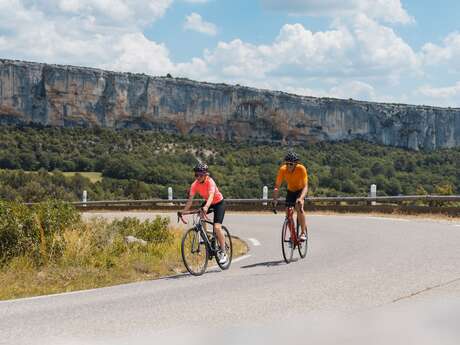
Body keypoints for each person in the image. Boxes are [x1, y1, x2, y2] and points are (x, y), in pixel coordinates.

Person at [182, 162, 228, 264]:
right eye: (196, 175)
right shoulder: (194, 185)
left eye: (201, 175)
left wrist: (206, 206)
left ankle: (223, 252)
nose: (198, 177)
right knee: (200, 214)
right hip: (208, 202)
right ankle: (206, 236)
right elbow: (190, 200)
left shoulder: (210, 182)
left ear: (206, 174)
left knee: (217, 227)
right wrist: (184, 212)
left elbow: (211, 195)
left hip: (219, 203)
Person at [272, 151, 308, 241]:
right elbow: (277, 187)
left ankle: (303, 233)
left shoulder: (301, 169)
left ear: (295, 164)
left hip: (300, 190)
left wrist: (301, 198)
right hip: (291, 191)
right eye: (287, 163)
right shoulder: (283, 170)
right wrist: (275, 200)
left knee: (299, 206)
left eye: (291, 164)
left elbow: (305, 186)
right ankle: (293, 235)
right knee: (288, 213)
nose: (288, 166)